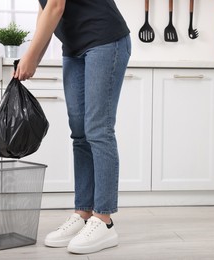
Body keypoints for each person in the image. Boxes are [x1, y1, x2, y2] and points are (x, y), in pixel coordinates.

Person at [14, 0, 131, 254]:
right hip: (74, 48)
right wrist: (35, 56)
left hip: (105, 40)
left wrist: (31, 57)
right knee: (79, 134)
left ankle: (104, 220)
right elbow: (45, 10)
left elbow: (56, 5)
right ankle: (84, 212)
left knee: (98, 131)